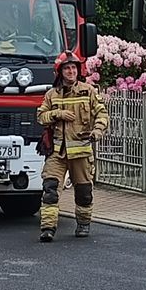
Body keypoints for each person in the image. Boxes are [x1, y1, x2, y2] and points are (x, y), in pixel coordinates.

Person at [36, 50, 108, 241]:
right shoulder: (52, 95)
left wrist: (98, 131)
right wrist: (57, 114)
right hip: (57, 153)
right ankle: (48, 228)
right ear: (60, 72)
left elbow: (102, 114)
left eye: (73, 68)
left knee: (84, 193)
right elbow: (40, 116)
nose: (71, 72)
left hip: (82, 152)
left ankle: (83, 223)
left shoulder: (88, 91)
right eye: (67, 68)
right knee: (50, 189)